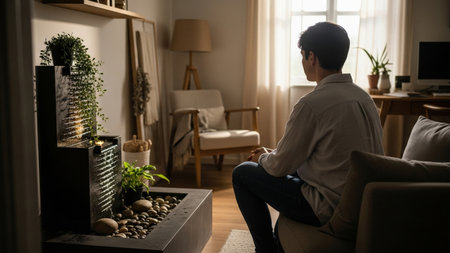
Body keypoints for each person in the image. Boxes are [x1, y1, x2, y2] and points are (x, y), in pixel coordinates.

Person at [232, 22, 384, 253]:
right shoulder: (365, 98)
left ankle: (266, 251)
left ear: (311, 57)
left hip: (328, 207)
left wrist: (263, 157)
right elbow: (323, 155)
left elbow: (277, 168)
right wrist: (273, 155)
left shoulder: (312, 103)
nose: (303, 62)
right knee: (281, 164)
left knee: (242, 173)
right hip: (363, 204)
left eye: (302, 56)